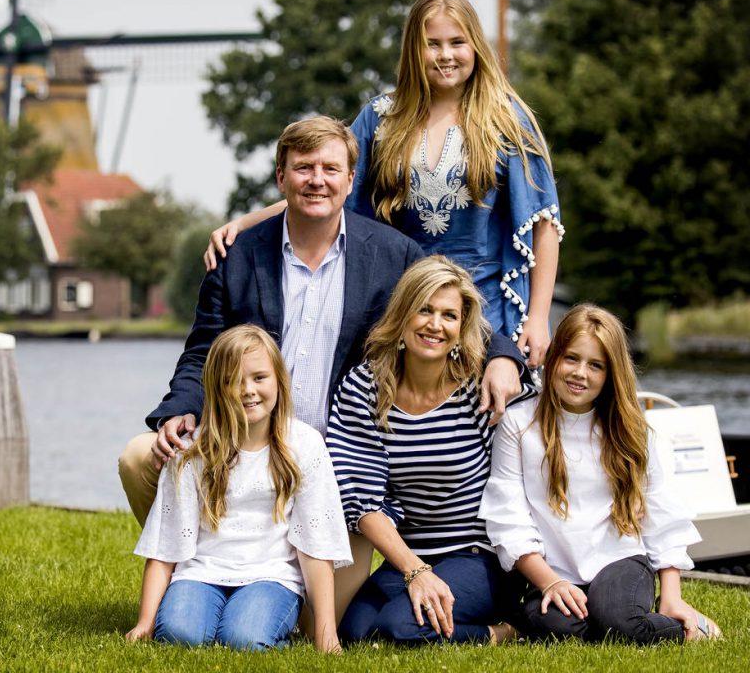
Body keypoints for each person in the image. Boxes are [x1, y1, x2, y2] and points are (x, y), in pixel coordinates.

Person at [119, 116, 525, 625]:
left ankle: (282, 595)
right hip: (245, 441)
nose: (317, 180)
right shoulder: (238, 255)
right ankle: (203, 574)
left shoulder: (391, 254)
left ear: (350, 181)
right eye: (304, 168)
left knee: (315, 625)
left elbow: (446, 307)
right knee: (140, 456)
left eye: (330, 169)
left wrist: (504, 354)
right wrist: (180, 410)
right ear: (281, 178)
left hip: (333, 462)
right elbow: (203, 350)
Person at [204, 0, 563, 368]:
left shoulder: (507, 121)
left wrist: (539, 318)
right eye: (432, 44)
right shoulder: (382, 118)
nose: (445, 55)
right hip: (404, 306)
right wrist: (241, 225)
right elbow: (325, 189)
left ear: (475, 46)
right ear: (413, 49)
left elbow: (543, 223)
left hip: (483, 308)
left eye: (457, 42)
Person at [479, 304, 722, 644]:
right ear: (554, 356)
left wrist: (671, 595)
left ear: (611, 374)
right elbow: (509, 516)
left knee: (618, 622)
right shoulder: (519, 425)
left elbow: (661, 512)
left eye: (596, 365)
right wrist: (549, 582)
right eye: (571, 358)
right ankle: (548, 615)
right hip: (556, 570)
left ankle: (693, 628)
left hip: (619, 560)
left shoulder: (630, 430)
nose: (581, 373)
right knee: (556, 629)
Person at [327, 256, 534, 645]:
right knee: (354, 633)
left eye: (448, 315)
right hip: (411, 555)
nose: (435, 325)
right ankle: (433, 602)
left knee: (398, 629)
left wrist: (509, 360)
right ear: (403, 314)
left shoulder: (480, 387)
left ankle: (503, 631)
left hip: (478, 556)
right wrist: (414, 570)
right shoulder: (364, 387)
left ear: (461, 328)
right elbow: (359, 499)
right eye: (424, 309)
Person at [124, 325, 352, 651]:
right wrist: (144, 624)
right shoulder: (193, 449)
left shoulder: (305, 445)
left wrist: (326, 635)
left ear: (278, 381)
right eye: (233, 381)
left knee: (243, 639)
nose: (248, 390)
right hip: (202, 572)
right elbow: (165, 547)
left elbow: (316, 547)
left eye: (259, 378)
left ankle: (261, 624)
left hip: (272, 577)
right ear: (216, 388)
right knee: (179, 636)